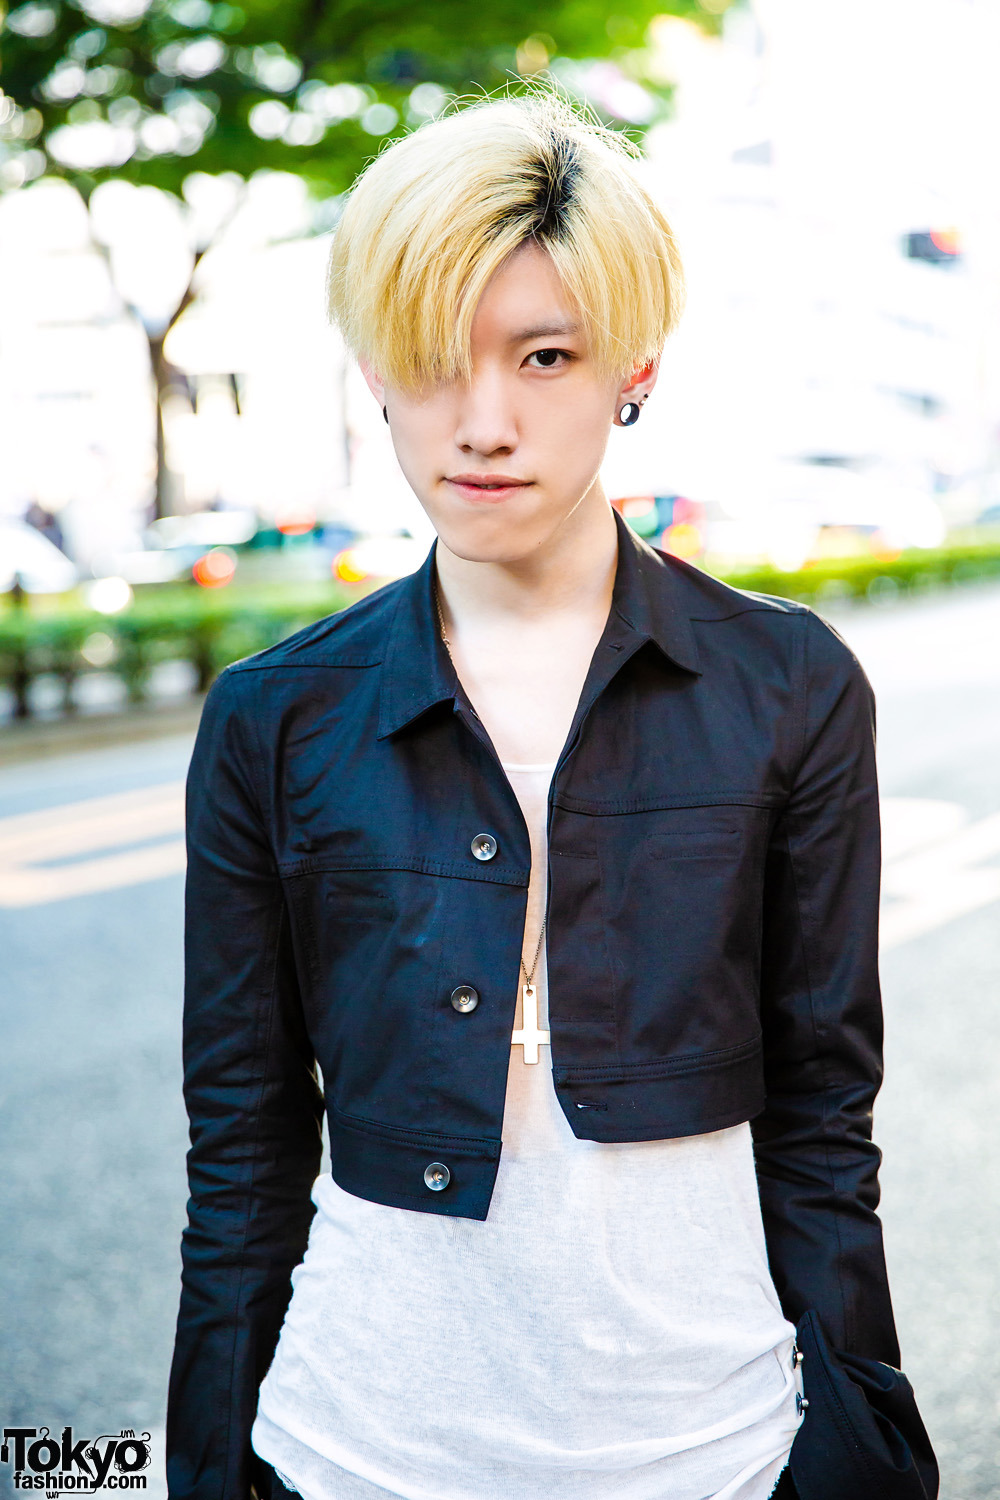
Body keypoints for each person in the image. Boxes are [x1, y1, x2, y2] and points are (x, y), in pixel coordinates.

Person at [166, 86, 936, 1500]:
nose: (484, 421)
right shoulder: (277, 719)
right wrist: (208, 1462)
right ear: (374, 373)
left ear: (633, 370)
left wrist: (866, 1438)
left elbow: (824, 1116)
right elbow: (243, 1150)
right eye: (435, 359)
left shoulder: (788, 688)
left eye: (543, 356)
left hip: (715, 1450)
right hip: (350, 1448)